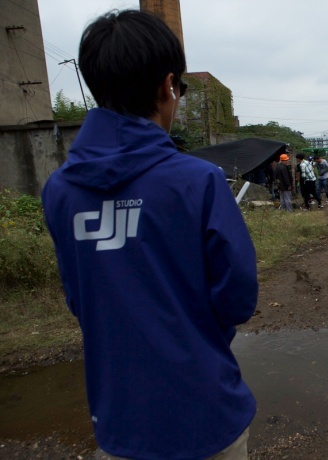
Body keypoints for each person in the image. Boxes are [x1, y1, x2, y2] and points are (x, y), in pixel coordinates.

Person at [40, 10, 257, 460]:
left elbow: (80, 298)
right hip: (206, 413)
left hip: (121, 420)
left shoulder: (60, 191)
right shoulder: (198, 181)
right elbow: (238, 297)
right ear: (167, 86)